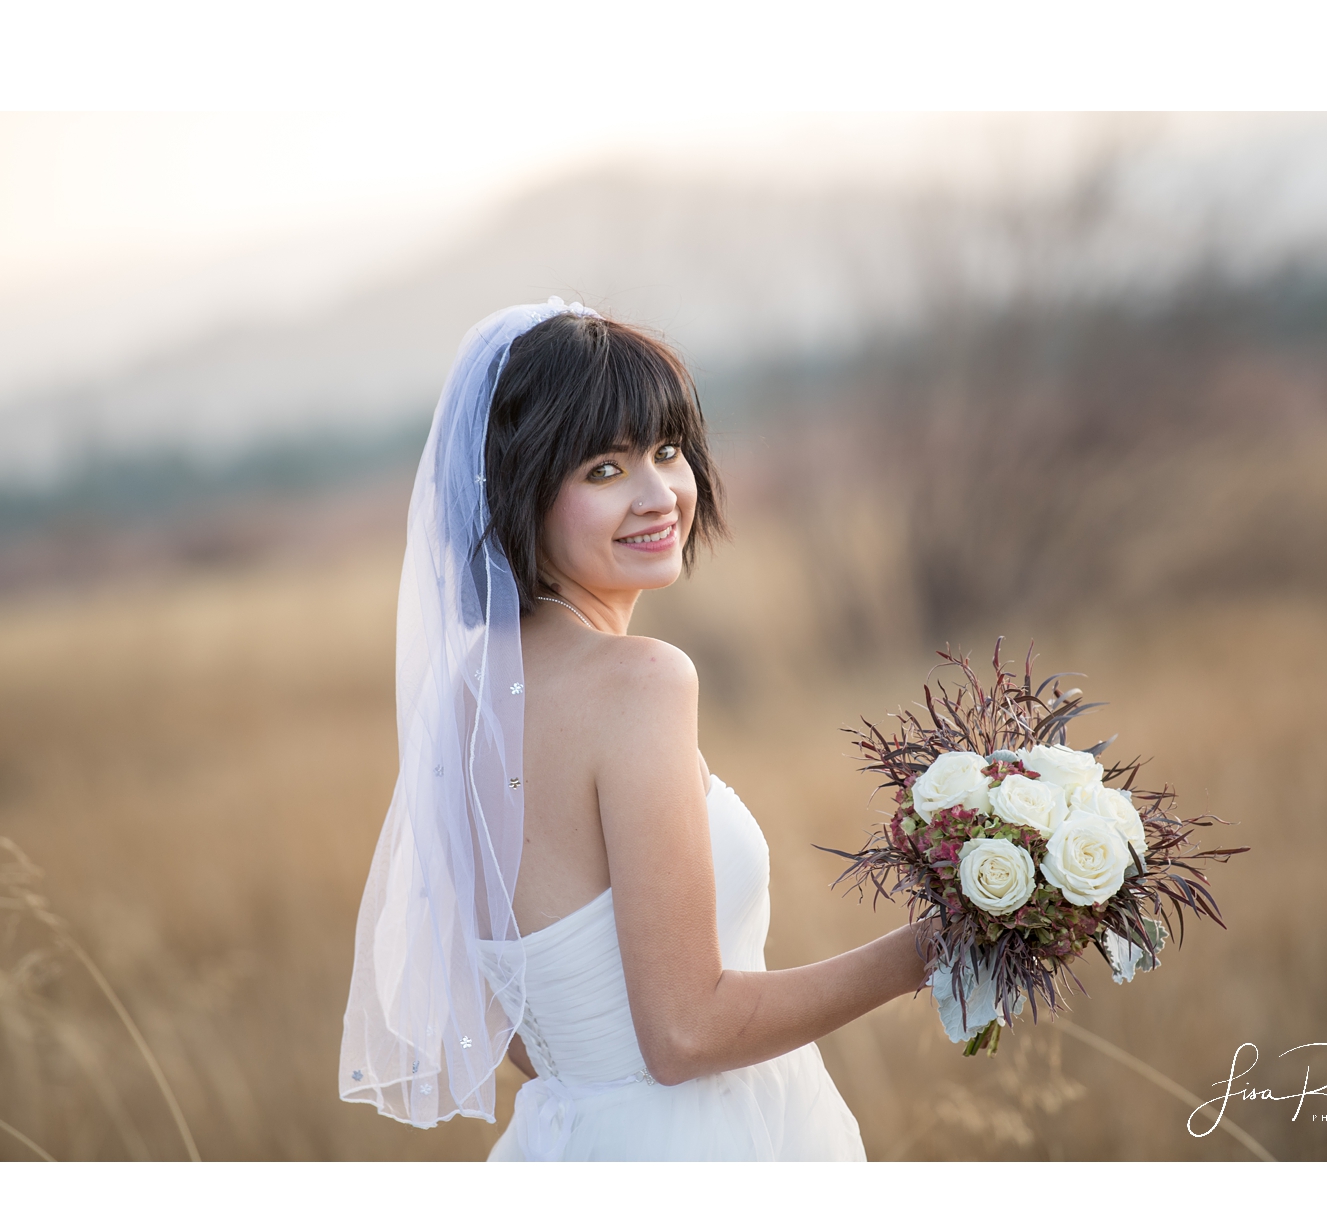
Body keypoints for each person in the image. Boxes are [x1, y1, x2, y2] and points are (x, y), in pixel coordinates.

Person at [340, 299, 930, 1160]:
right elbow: (685, 1033)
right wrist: (933, 946)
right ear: (522, 487)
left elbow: (509, 1020)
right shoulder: (641, 682)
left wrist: (596, 1073)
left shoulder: (466, 698)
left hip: (570, 1139)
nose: (660, 495)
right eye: (604, 470)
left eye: (665, 451)